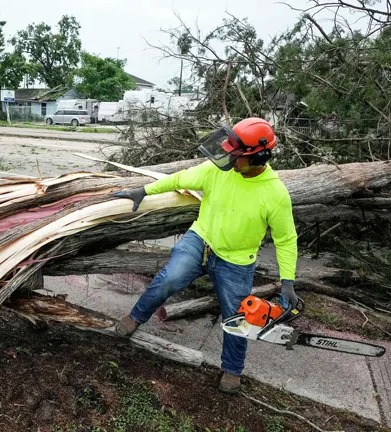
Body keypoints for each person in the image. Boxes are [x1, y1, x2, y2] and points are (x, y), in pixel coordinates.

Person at [114, 117, 298, 394]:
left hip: (237, 259)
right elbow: (180, 178)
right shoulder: (218, 170)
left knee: (236, 317)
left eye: (237, 156)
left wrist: (287, 281)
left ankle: (232, 370)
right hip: (201, 239)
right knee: (169, 279)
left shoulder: (275, 193)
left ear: (259, 157)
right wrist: (143, 190)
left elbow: (286, 239)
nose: (230, 158)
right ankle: (136, 317)